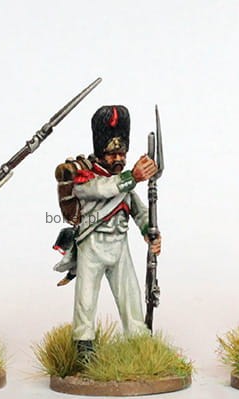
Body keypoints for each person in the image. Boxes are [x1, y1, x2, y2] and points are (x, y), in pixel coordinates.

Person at [56, 105, 161, 363]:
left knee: (131, 297)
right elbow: (101, 189)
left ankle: (138, 342)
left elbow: (139, 210)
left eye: (121, 153)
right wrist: (132, 176)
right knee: (86, 300)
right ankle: (83, 346)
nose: (118, 158)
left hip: (119, 245)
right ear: (100, 153)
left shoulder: (124, 182)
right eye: (112, 154)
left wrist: (150, 231)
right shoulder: (86, 177)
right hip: (92, 244)